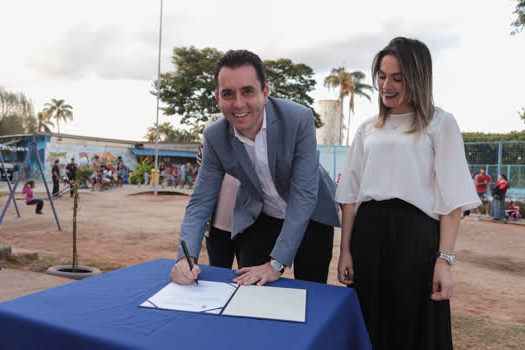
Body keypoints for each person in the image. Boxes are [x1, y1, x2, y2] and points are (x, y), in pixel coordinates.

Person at [335, 37, 480, 350]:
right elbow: (349, 197)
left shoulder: (440, 124)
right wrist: (345, 250)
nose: (387, 85)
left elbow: (452, 202)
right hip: (369, 237)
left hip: (416, 241)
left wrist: (444, 261)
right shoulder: (367, 128)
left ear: (417, 79)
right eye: (382, 76)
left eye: (397, 78)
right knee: (369, 323)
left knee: (413, 327)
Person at [170, 49, 340, 287]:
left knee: (311, 291)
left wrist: (276, 264)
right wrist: (185, 258)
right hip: (263, 215)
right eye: (228, 94)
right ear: (218, 98)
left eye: (248, 91)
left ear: (265, 93)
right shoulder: (214, 136)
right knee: (250, 285)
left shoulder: (299, 119)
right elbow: (201, 201)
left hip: (311, 215)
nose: (238, 103)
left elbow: (303, 195)